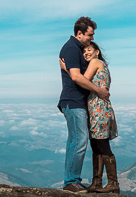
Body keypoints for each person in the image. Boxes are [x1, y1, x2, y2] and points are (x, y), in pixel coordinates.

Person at [58, 17, 110, 192]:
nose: (92, 39)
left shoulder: (77, 49)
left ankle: (71, 180)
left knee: (75, 140)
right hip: (73, 102)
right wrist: (99, 91)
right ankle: (71, 182)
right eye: (90, 35)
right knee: (80, 140)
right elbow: (76, 77)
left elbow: (78, 74)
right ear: (79, 33)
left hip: (76, 102)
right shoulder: (71, 48)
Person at [62, 42, 119, 194]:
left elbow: (81, 80)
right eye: (84, 51)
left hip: (99, 108)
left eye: (89, 50)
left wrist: (66, 70)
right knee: (96, 145)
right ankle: (96, 183)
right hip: (97, 108)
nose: (86, 53)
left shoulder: (95, 62)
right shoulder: (101, 64)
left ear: (97, 52)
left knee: (102, 145)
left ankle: (113, 182)